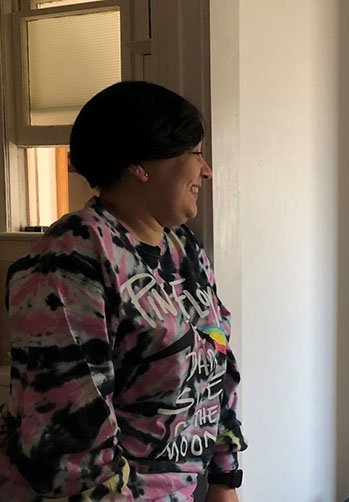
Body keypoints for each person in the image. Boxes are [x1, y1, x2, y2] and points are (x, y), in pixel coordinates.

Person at [0, 81, 247, 502]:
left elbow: (216, 361)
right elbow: (71, 437)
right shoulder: (69, 260)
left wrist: (225, 479)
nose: (205, 170)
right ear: (141, 165)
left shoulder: (182, 247)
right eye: (196, 152)